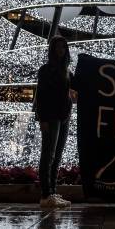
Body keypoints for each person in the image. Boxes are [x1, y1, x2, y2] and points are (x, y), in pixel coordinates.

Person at [34, 36, 76, 209]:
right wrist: (41, 118)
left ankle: (52, 191)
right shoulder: (45, 70)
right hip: (51, 117)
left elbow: (76, 89)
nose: (61, 50)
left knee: (57, 156)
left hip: (64, 116)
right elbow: (41, 96)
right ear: (52, 50)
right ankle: (46, 194)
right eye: (58, 47)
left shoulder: (67, 71)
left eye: (63, 48)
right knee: (48, 155)